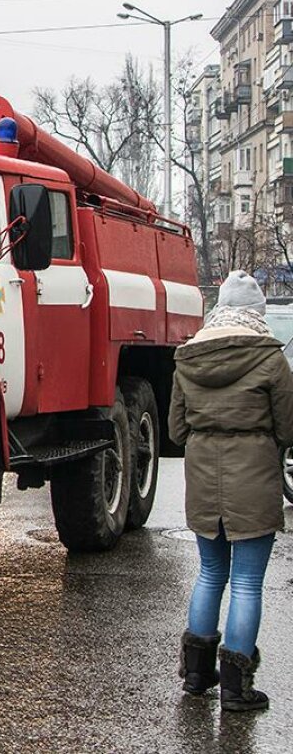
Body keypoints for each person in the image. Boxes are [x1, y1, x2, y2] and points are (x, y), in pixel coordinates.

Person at [170, 270, 293, 712]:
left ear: (220, 309)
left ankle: (198, 674)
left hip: (204, 480)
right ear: (256, 314)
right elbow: (288, 427)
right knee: (245, 582)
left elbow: (176, 429)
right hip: (253, 479)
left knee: (209, 573)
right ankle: (237, 688)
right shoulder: (271, 360)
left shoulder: (188, 359)